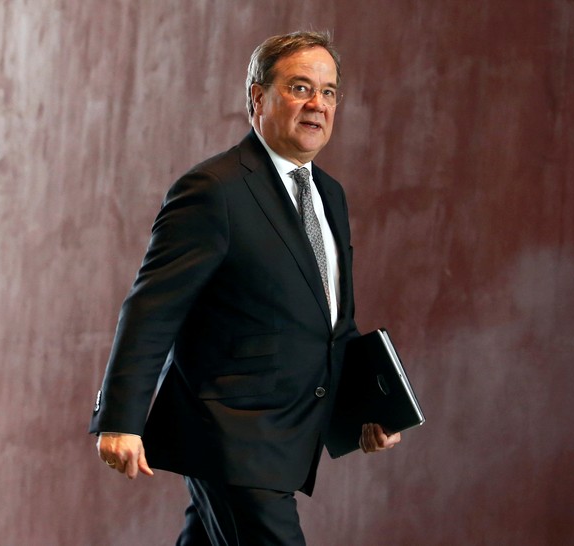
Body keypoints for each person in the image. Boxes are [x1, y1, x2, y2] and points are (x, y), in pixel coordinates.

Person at [89, 30, 401, 546]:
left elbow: (332, 324)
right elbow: (151, 309)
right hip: (230, 439)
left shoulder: (330, 194)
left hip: (288, 441)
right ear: (258, 97)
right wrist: (119, 418)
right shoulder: (214, 190)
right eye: (300, 87)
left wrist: (368, 408)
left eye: (327, 92)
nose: (317, 105)